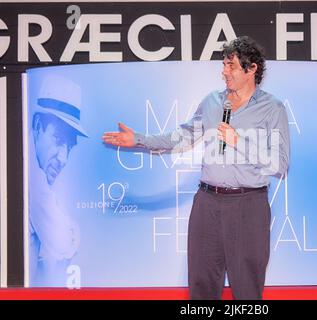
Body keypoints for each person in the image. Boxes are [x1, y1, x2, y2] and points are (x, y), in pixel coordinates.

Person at [103, 36, 290, 299]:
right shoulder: (213, 102)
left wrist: (238, 142)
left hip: (249, 205)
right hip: (208, 204)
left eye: (231, 65)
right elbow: (182, 137)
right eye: (224, 65)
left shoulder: (273, 108)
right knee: (201, 286)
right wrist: (139, 140)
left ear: (251, 69)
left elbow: (281, 165)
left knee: (247, 289)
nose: (224, 72)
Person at [29, 75, 88, 286]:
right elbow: (63, 242)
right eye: (58, 139)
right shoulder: (31, 178)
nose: (63, 158)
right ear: (37, 127)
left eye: (69, 147)